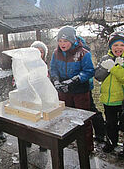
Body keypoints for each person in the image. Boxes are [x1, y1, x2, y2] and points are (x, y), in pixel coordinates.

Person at [50, 26, 95, 154]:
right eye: (60, 41)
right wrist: (56, 80)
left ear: (72, 40)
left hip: (80, 90)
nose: (62, 44)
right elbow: (53, 68)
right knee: (65, 116)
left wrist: (74, 80)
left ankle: (87, 148)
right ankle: (68, 142)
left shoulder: (83, 53)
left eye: (65, 41)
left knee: (83, 118)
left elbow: (89, 71)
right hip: (63, 90)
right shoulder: (56, 53)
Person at [94, 31, 124, 153]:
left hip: (122, 99)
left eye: (121, 45)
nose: (118, 48)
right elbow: (98, 76)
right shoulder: (105, 58)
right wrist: (107, 68)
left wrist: (114, 68)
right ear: (110, 46)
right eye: (115, 45)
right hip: (108, 99)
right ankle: (111, 143)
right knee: (110, 123)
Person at [77, 36, 106, 143]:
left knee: (91, 109)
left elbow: (87, 70)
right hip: (78, 87)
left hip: (84, 86)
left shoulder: (82, 51)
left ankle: (100, 133)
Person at [30, 40, 48, 152]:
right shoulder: (25, 64)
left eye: (41, 52)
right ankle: (28, 140)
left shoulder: (44, 65)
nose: (38, 53)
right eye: (36, 51)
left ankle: (43, 143)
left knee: (42, 120)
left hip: (42, 96)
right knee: (30, 118)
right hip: (30, 96)